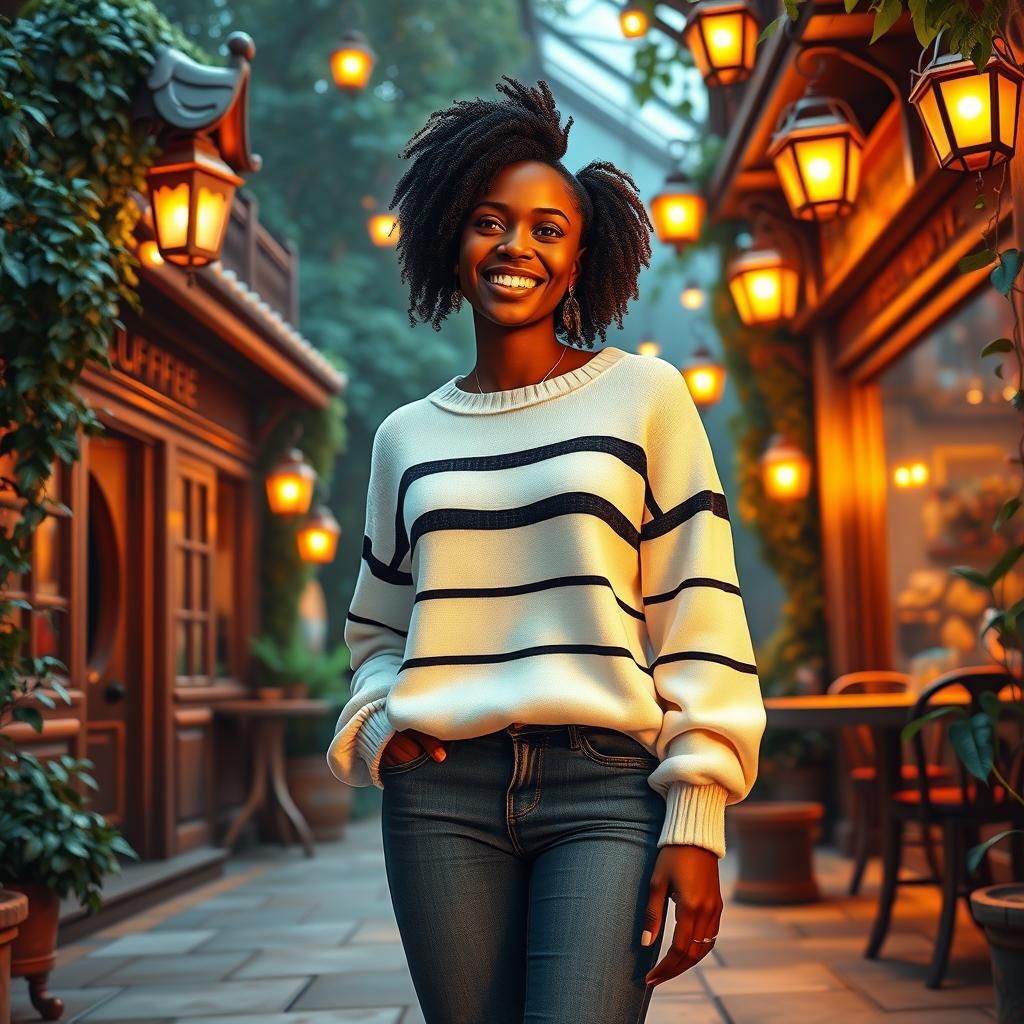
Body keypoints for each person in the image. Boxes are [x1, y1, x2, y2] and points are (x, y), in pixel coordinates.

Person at [327, 76, 766, 1024]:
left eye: (548, 229)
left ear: (578, 261)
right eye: (491, 220)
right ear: (452, 233)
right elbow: (375, 632)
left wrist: (696, 814)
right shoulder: (407, 435)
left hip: (605, 786)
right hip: (440, 796)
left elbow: (698, 617)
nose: (516, 245)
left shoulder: (644, 397)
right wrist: (379, 728)